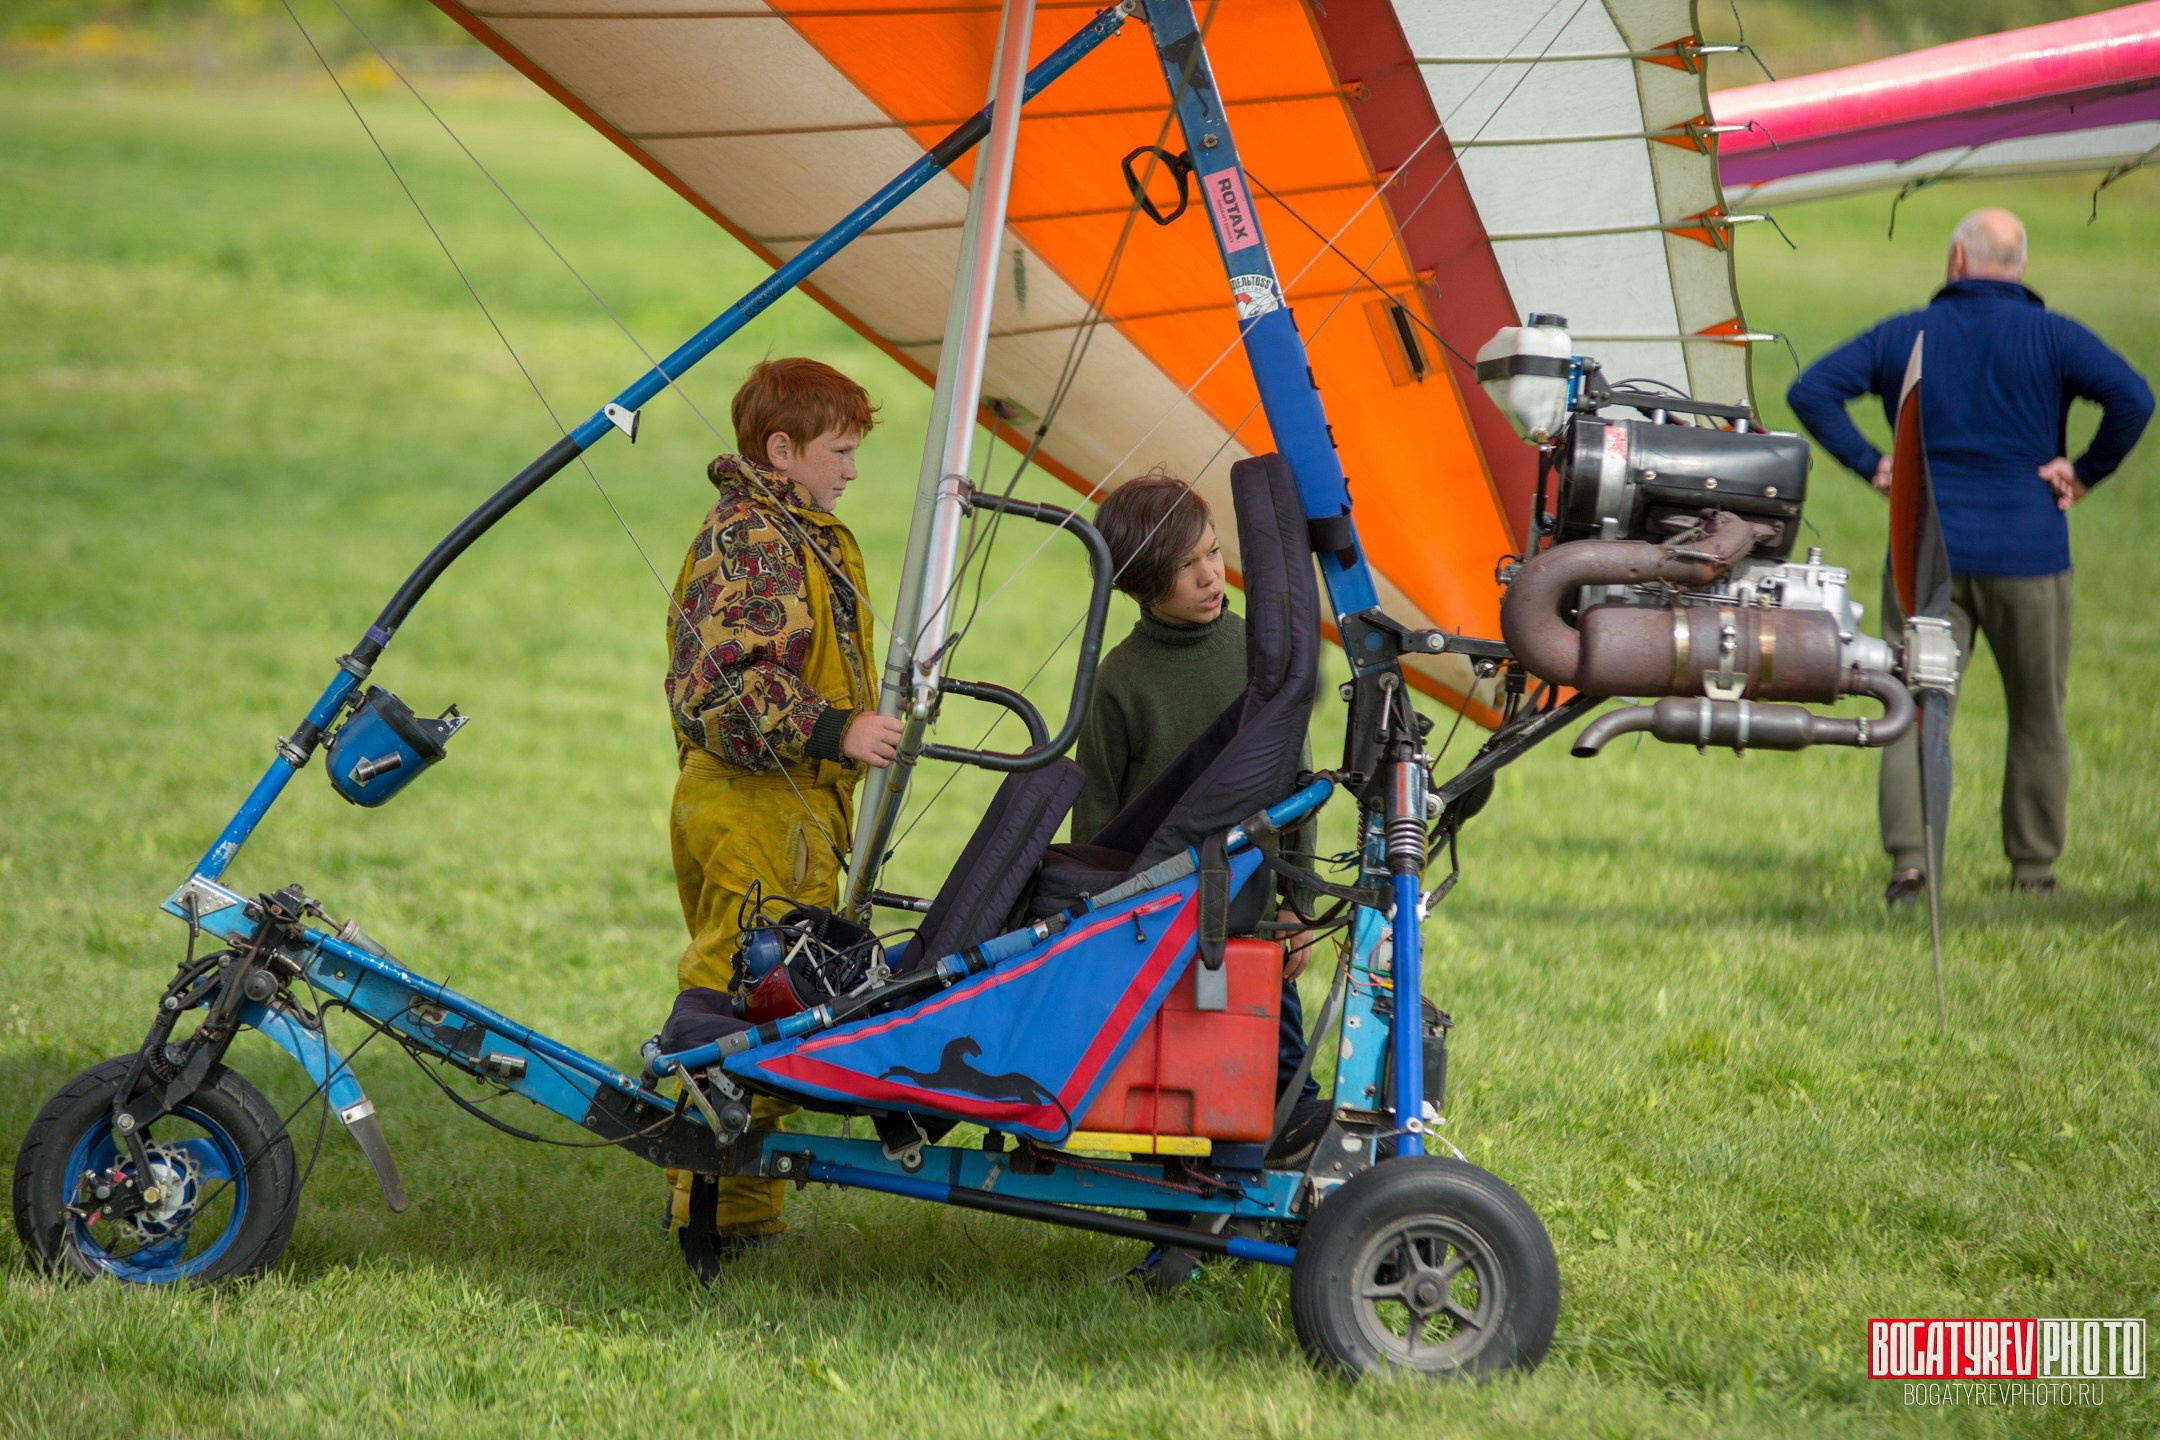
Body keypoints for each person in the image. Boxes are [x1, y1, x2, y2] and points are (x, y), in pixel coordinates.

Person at [1787, 208, 2152, 903]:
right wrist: (2083, 471)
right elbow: (2133, 397)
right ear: (2018, 267)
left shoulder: (1907, 333)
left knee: (1920, 708)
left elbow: (1811, 390)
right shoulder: (2054, 336)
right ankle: (2034, 873)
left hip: (1928, 553)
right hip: (2030, 553)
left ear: (1957, 260)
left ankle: (1911, 868)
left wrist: (1873, 462)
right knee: (2038, 715)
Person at [660, 358, 905, 1259]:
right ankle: (715, 1221)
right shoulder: (757, 540)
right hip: (755, 807)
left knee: (771, 994)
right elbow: (719, 690)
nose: (849, 470)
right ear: (782, 449)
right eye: (839, 451)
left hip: (784, 809)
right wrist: (837, 729)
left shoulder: (799, 531)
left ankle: (732, 1211)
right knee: (744, 1005)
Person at [1074, 476, 1320, 1287]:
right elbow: (1100, 819)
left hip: (1251, 917)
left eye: (1215, 552)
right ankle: (1174, 1244)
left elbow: (1299, 786)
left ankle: (1261, 1217)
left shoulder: (1262, 655)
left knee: (1270, 1071)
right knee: (1167, 1086)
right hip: (1158, 921)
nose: (1212, 575)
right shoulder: (1120, 681)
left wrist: (1298, 906)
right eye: (1189, 567)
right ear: (1142, 586)